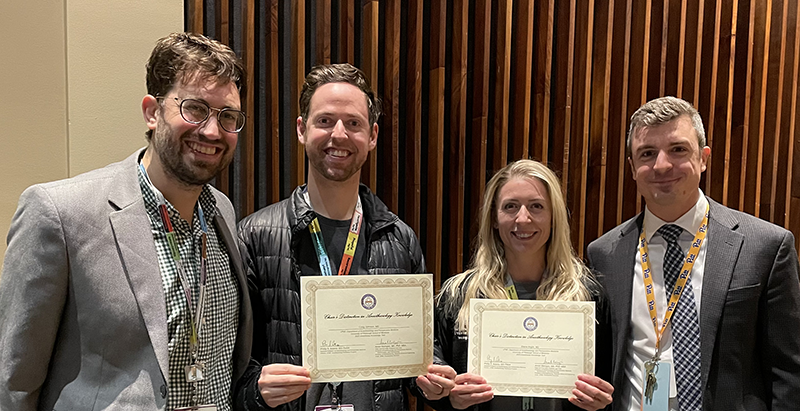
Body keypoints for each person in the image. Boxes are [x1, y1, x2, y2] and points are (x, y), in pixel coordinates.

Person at [0, 32, 253, 410]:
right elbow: (14, 383)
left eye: (227, 117)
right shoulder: (60, 213)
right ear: (152, 112)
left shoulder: (222, 212)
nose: (212, 131)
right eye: (195, 109)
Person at [235, 63, 456, 411]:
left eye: (353, 123)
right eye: (324, 121)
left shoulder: (399, 239)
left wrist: (435, 378)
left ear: (372, 136)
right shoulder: (255, 235)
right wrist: (256, 392)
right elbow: (234, 365)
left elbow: (421, 354)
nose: (338, 134)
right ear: (301, 130)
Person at [586, 96, 800, 411]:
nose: (661, 165)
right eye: (647, 153)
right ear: (632, 168)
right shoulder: (604, 253)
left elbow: (789, 370)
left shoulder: (765, 246)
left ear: (703, 158)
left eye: (678, 149)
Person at [435, 159, 614, 411]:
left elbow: (606, 381)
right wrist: (450, 398)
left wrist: (599, 403)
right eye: (510, 207)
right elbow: (431, 385)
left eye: (536, 206)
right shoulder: (459, 295)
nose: (523, 219)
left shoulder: (587, 296)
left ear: (554, 218)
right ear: (494, 219)